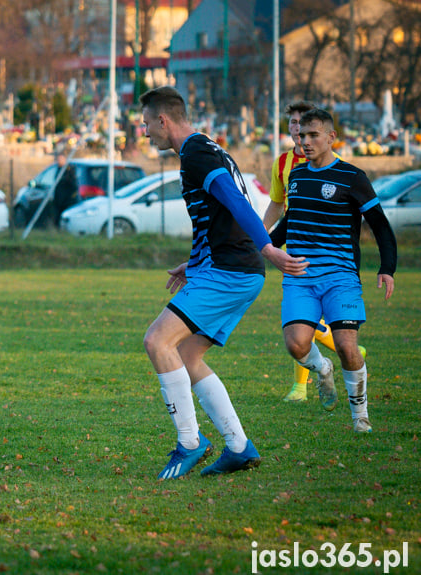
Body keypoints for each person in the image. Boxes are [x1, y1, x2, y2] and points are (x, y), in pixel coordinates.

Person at [138, 87, 308, 479]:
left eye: (146, 124)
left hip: (230, 272)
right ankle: (239, 447)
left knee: (157, 341)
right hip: (234, 270)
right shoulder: (207, 148)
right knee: (187, 357)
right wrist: (193, 262)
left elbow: (236, 202)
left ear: (163, 120)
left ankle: (189, 443)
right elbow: (216, 219)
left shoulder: (196, 154)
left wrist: (269, 248)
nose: (145, 133)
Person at [270, 108, 396, 433]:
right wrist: (263, 245)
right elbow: (289, 223)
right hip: (299, 276)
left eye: (313, 135)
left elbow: (380, 224)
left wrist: (388, 267)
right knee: (296, 344)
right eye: (301, 135)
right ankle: (321, 369)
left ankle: (360, 417)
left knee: (346, 346)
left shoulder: (352, 177)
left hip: (340, 277)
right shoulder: (296, 176)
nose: (305, 141)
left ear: (330, 137)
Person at [263, 101, 365, 402]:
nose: (298, 132)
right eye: (293, 125)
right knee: (299, 330)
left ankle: (328, 367)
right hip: (295, 248)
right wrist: (259, 237)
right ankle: (313, 375)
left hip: (331, 257)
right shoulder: (283, 163)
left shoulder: (334, 165)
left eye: (302, 125)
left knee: (312, 326)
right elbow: (278, 206)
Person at [51, 153, 78, 227]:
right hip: (58, 198)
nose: (59, 161)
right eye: (58, 160)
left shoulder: (69, 170)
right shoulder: (58, 170)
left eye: (61, 159)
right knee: (57, 215)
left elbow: (72, 183)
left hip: (67, 199)